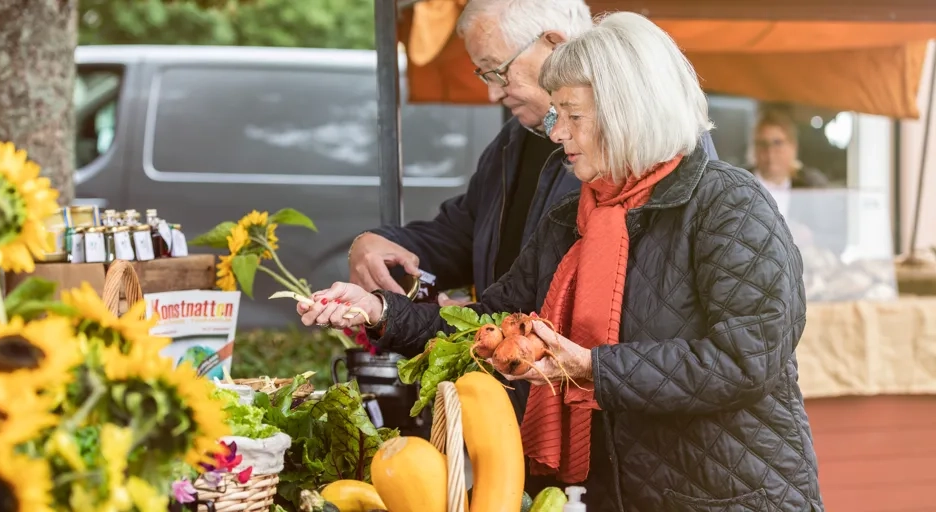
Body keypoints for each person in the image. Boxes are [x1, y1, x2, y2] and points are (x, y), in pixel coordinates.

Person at [299, 11, 823, 512]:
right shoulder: (570, 218)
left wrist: (593, 368)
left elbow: (746, 360)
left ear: (628, 113)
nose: (555, 133)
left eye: (573, 116)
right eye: (555, 114)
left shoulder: (727, 204)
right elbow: (492, 321)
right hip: (614, 494)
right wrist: (380, 310)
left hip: (731, 493)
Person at [349, 0, 717, 425]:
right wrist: (382, 250)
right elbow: (473, 250)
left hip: (612, 414)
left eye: (496, 70)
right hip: (523, 399)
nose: (491, 92)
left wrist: (589, 367)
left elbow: (689, 330)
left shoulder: (676, 165)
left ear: (553, 43)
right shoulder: (512, 145)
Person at [752, 108, 830, 213]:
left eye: (777, 143)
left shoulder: (810, 187)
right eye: (763, 144)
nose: (770, 151)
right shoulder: (738, 186)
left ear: (793, 147)